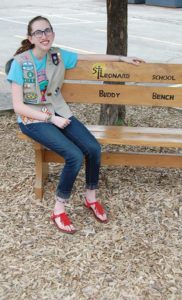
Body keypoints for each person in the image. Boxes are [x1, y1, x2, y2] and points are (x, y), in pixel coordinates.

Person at [7, 15, 144, 234]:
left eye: (47, 30)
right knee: (74, 156)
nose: (44, 36)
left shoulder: (58, 56)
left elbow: (88, 58)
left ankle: (90, 197)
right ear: (30, 38)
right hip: (32, 118)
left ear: (53, 33)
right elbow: (18, 107)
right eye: (38, 33)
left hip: (58, 110)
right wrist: (50, 119)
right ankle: (58, 209)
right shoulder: (20, 63)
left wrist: (120, 58)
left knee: (93, 148)